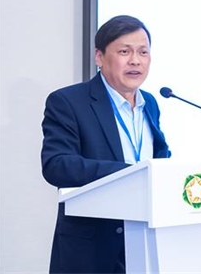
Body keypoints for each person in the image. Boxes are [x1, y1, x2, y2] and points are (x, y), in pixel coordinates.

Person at [41, 15, 171, 274]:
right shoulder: (68, 102)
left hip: (145, 243)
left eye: (143, 52)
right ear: (99, 57)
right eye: (124, 51)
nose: (135, 60)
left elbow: (157, 158)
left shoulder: (150, 103)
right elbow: (57, 165)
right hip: (92, 251)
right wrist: (130, 173)